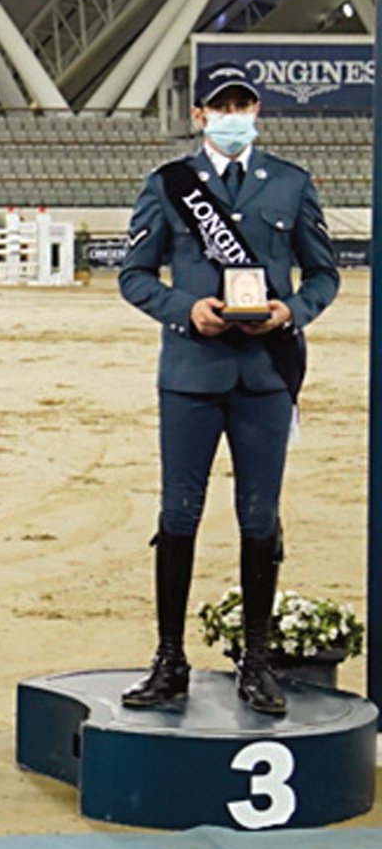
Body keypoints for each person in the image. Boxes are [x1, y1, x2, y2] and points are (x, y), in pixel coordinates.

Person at [118, 62, 339, 715]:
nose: (234, 114)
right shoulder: (169, 186)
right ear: (200, 116)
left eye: (244, 103)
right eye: (222, 105)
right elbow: (135, 275)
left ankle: (258, 662)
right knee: (178, 515)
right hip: (191, 375)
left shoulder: (292, 185)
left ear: (257, 110)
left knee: (259, 518)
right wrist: (185, 309)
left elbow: (324, 275)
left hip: (265, 376)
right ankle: (169, 659)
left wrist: (291, 313)